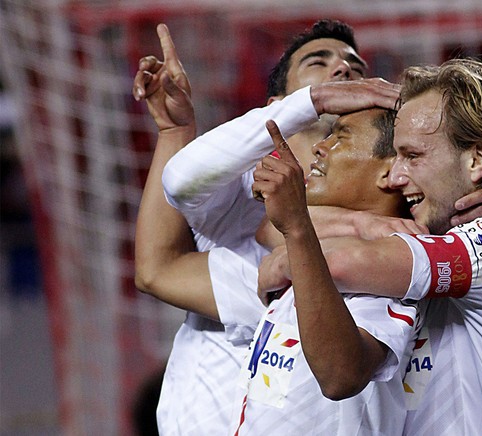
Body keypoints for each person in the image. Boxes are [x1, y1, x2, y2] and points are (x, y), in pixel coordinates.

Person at [256, 58, 482, 435]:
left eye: (414, 156)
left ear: (477, 159)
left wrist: (291, 247)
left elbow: (340, 262)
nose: (398, 175)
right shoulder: (447, 227)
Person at [132, 20, 414, 434]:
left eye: (356, 65)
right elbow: (181, 181)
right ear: (278, 104)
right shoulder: (238, 182)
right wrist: (176, 132)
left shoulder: (388, 252)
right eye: (319, 63)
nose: (344, 71)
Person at [231, 109, 424, 434]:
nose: (321, 147)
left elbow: (341, 375)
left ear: (389, 171)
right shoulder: (300, 260)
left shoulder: (382, 274)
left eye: (341, 136)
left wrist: (296, 227)